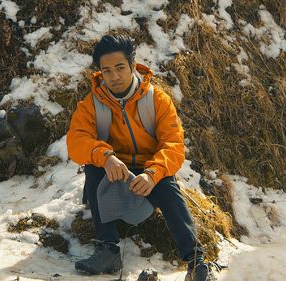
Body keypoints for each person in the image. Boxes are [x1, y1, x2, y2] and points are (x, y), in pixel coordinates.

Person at [66, 34, 217, 281]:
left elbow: (173, 145)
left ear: (133, 65)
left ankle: (195, 261)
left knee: (168, 184)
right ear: (100, 73)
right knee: (93, 167)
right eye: (106, 70)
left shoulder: (157, 100)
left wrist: (152, 173)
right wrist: (105, 156)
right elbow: (76, 141)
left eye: (120, 68)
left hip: (149, 173)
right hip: (115, 173)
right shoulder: (91, 104)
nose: (114, 76)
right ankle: (108, 248)